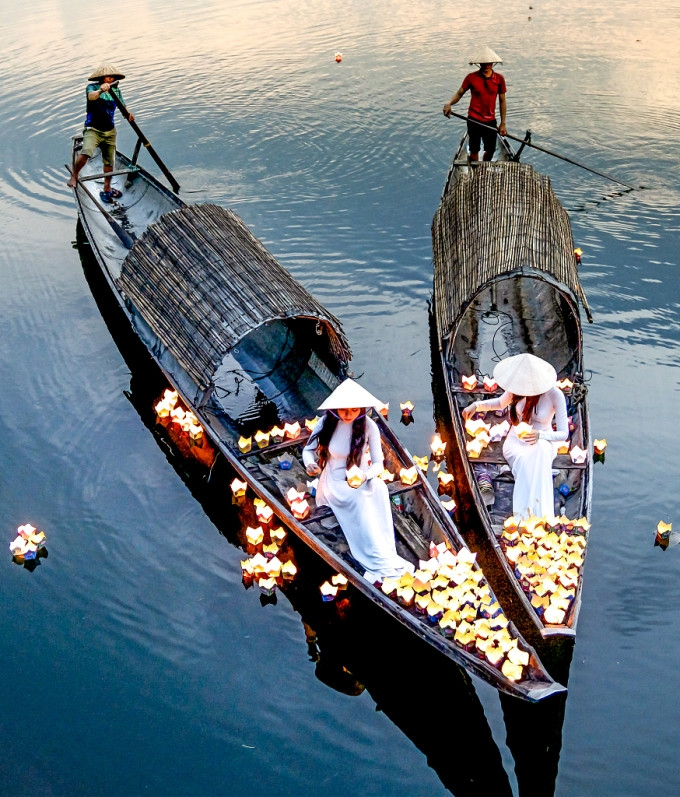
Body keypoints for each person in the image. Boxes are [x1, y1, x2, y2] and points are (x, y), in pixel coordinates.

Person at [302, 378, 414, 584]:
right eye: (344, 410)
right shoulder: (325, 423)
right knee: (358, 498)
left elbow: (379, 463)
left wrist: (366, 475)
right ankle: (372, 554)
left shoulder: (369, 425)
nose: (349, 415)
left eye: (354, 410)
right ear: (336, 408)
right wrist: (310, 464)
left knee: (379, 487)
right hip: (334, 482)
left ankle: (382, 548)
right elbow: (307, 450)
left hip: (361, 477)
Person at [462, 353, 568, 520]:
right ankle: (523, 515)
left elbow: (564, 433)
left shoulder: (555, 395)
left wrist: (540, 435)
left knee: (540, 452)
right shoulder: (519, 389)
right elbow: (499, 403)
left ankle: (540, 514)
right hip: (517, 439)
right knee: (525, 461)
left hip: (544, 439)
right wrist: (475, 406)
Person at [67, 63, 134, 202]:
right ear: (102, 78)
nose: (110, 79)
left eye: (112, 77)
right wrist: (101, 91)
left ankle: (107, 187)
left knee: (109, 160)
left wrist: (128, 113)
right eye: (107, 77)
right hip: (94, 129)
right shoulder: (92, 88)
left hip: (110, 131)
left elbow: (123, 106)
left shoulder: (116, 91)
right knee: (86, 152)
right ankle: (74, 175)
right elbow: (91, 97)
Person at [443, 46, 507, 162]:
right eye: (483, 63)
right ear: (479, 64)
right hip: (474, 119)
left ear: (493, 63)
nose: (486, 66)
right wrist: (449, 103)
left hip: (490, 121)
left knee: (491, 150)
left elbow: (502, 101)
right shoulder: (471, 78)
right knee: (474, 151)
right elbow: (459, 93)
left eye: (489, 63)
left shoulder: (499, 79)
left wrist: (502, 124)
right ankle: (475, 169)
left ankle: (484, 166)